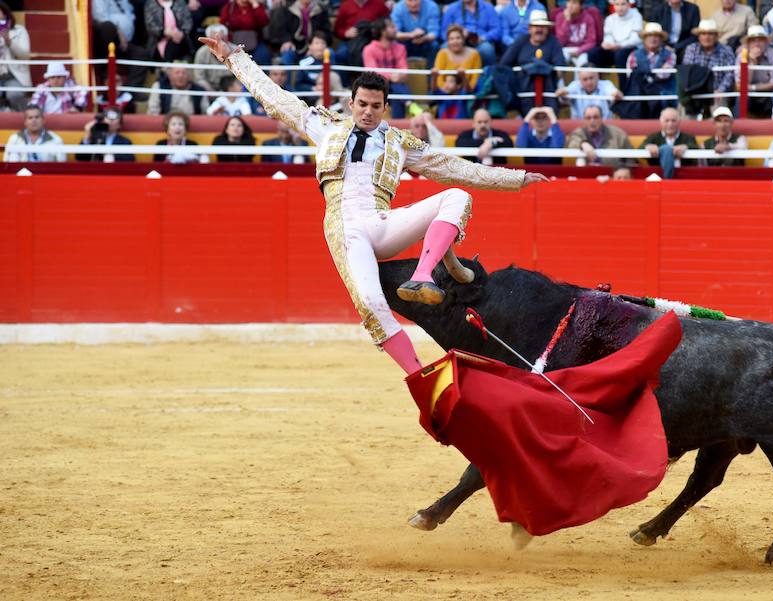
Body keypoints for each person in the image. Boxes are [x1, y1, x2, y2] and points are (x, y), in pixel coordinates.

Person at [199, 33, 547, 375]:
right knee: (371, 304)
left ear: (385, 108)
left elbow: (454, 168)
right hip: (347, 230)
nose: (367, 112)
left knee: (456, 196)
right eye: (362, 104)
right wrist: (233, 58)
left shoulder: (399, 142)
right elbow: (273, 97)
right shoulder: (324, 126)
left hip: (382, 222)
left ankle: (422, 276)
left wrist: (515, 178)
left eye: (375, 106)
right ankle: (423, 376)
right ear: (350, 103)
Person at [500, 10, 566, 113]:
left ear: (548, 29)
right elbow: (503, 65)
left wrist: (543, 69)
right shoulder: (521, 41)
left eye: (542, 27)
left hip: (547, 90)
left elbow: (560, 70)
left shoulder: (554, 42)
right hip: (522, 90)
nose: (539, 29)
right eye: (536, 26)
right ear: (529, 29)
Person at [621, 22, 677, 119]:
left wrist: (645, 75)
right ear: (644, 39)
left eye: (656, 36)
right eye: (649, 36)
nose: (653, 39)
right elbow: (632, 77)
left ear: (661, 39)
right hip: (640, 92)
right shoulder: (634, 55)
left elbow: (664, 75)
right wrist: (653, 74)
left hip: (662, 91)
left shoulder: (670, 54)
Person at [682, 20, 735, 114]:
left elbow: (730, 74)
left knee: (720, 113)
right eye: (703, 34)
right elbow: (688, 72)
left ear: (716, 36)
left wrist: (721, 90)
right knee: (684, 111)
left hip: (717, 93)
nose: (706, 37)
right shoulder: (691, 49)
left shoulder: (726, 50)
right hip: (695, 93)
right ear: (699, 36)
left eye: (710, 34)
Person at [362, 17, 411, 118]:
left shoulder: (400, 48)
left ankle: (398, 122)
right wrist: (391, 76)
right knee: (397, 88)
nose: (396, 29)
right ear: (383, 31)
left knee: (397, 90)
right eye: (392, 27)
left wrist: (399, 76)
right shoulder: (369, 49)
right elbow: (372, 72)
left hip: (395, 86)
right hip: (377, 87)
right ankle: (410, 104)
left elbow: (404, 69)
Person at [735, 25, 773, 117]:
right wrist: (752, 63)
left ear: (766, 42)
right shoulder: (742, 56)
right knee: (741, 97)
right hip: (750, 93)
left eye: (760, 40)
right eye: (753, 40)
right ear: (748, 43)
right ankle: (739, 125)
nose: (757, 44)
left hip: (769, 92)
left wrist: (752, 87)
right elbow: (740, 86)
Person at [639, 106, 699, 179]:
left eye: (673, 121)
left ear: (679, 121)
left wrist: (686, 147)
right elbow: (640, 148)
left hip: (684, 177)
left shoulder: (688, 137)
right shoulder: (653, 137)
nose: (670, 124)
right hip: (657, 177)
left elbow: (696, 148)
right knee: (666, 148)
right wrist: (647, 147)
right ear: (661, 121)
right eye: (667, 121)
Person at [266, 0, 331, 67]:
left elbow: (326, 31)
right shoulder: (287, 8)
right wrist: (286, 40)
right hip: (292, 45)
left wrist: (314, 46)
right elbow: (280, 28)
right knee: (287, 55)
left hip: (313, 45)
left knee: (328, 53)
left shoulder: (321, 9)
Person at [566, 105, 633, 167]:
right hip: (587, 173)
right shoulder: (578, 133)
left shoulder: (618, 134)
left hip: (612, 173)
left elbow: (631, 158)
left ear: (601, 118)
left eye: (596, 117)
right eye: (588, 118)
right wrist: (583, 143)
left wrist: (623, 171)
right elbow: (571, 143)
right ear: (584, 120)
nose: (592, 121)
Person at [440, 0, 501, 66]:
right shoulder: (452, 8)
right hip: (458, 41)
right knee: (444, 47)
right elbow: (443, 32)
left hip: (480, 42)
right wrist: (457, 33)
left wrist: (482, 38)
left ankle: (490, 71)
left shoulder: (488, 7)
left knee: (486, 49)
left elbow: (497, 30)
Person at [555, 64, 622, 120]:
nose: (589, 82)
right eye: (585, 79)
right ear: (579, 80)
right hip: (580, 128)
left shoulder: (606, 84)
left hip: (604, 127)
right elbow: (566, 92)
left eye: (591, 78)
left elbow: (615, 93)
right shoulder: (575, 85)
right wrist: (563, 92)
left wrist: (616, 95)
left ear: (598, 76)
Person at [0, 1, 31, 111]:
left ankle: (21, 118)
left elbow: (25, 55)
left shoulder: (19, 30)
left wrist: (9, 42)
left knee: (15, 95)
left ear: (5, 15)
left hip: (14, 76)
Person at [432, 24, 482, 92]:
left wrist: (463, 77)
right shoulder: (442, 53)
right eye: (451, 39)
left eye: (458, 38)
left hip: (467, 93)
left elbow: (474, 83)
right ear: (448, 42)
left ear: (463, 39)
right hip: (445, 93)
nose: (455, 41)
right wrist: (449, 90)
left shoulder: (474, 54)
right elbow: (439, 81)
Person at [597, 0, 643, 69]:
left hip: (630, 48)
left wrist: (620, 45)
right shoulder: (609, 19)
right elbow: (608, 36)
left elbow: (635, 39)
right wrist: (608, 44)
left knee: (620, 55)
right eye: (617, 4)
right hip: (614, 48)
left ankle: (622, 76)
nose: (620, 7)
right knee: (594, 54)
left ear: (628, 5)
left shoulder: (637, 16)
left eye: (623, 4)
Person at [555, 0, 598, 67]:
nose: (570, 6)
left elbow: (591, 41)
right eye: (568, 2)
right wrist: (567, 21)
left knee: (583, 62)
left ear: (581, 6)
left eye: (574, 3)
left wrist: (579, 51)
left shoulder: (588, 18)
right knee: (560, 59)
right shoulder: (560, 17)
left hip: (582, 49)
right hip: (565, 49)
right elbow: (560, 42)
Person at [194, 23, 231, 92]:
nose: (218, 44)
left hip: (232, 90)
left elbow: (241, 77)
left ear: (227, 38)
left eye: (222, 39)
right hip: (209, 90)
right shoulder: (201, 53)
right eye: (214, 40)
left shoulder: (236, 50)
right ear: (207, 40)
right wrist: (212, 93)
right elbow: (199, 78)